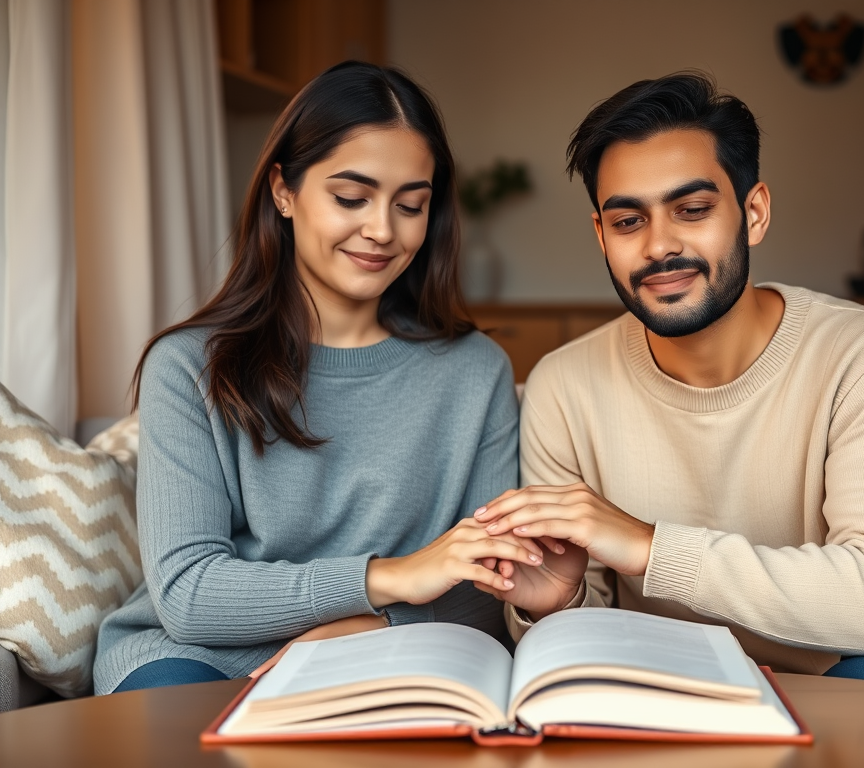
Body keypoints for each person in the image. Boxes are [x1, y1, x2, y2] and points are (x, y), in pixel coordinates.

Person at [474, 71, 864, 691]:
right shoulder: (563, 385)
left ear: (753, 212)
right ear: (601, 234)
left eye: (693, 210)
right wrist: (554, 604)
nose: (659, 246)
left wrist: (650, 548)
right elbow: (580, 641)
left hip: (843, 686)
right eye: (628, 222)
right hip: (663, 689)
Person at [93, 62, 542, 694]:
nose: (383, 229)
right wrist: (383, 581)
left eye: (410, 204)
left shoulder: (476, 372)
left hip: (388, 650)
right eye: (351, 198)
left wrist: (370, 624)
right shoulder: (190, 365)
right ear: (283, 191)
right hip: (200, 658)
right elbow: (187, 593)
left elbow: (489, 587)